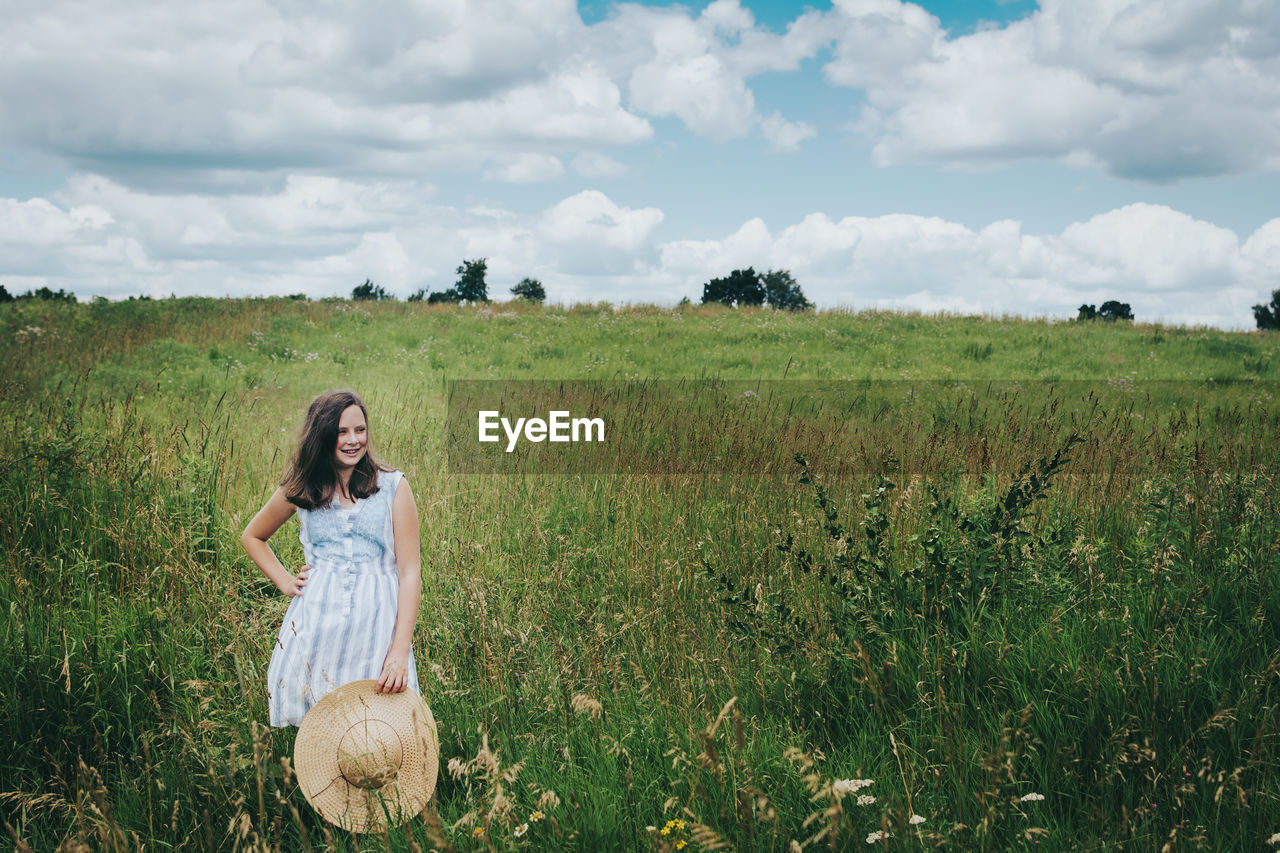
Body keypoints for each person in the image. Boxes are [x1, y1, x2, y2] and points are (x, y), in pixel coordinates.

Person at [241, 390, 422, 727]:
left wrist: (399, 650)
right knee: (324, 731)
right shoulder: (302, 487)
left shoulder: (393, 488)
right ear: (321, 435)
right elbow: (253, 536)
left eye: (360, 430)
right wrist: (284, 581)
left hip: (376, 627)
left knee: (380, 729)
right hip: (319, 627)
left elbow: (410, 572)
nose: (354, 440)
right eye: (342, 432)